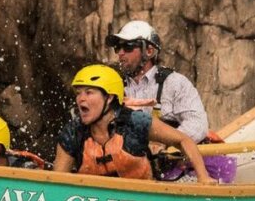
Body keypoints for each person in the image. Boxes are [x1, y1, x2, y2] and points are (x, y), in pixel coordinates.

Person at [108, 18, 235, 182]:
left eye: (128, 46)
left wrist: (167, 145)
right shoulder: (112, 85)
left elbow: (197, 124)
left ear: (150, 51)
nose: (120, 52)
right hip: (131, 165)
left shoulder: (175, 83)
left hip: (174, 165)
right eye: (118, 47)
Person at [53, 65, 214, 183]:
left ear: (109, 98)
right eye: (79, 93)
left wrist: (203, 177)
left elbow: (183, 140)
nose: (81, 99)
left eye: (89, 92)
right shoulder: (72, 133)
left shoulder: (135, 122)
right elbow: (57, 183)